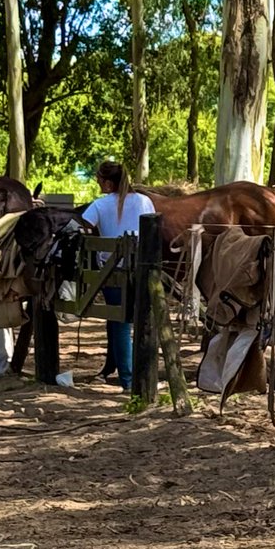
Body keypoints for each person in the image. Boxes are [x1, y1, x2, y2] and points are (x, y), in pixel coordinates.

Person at [82, 161, 156, 393]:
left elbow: (82, 227)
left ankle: (128, 379)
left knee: (120, 321)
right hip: (141, 269)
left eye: (98, 179)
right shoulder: (144, 201)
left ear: (107, 182)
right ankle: (122, 371)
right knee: (126, 321)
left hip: (112, 272)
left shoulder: (99, 205)